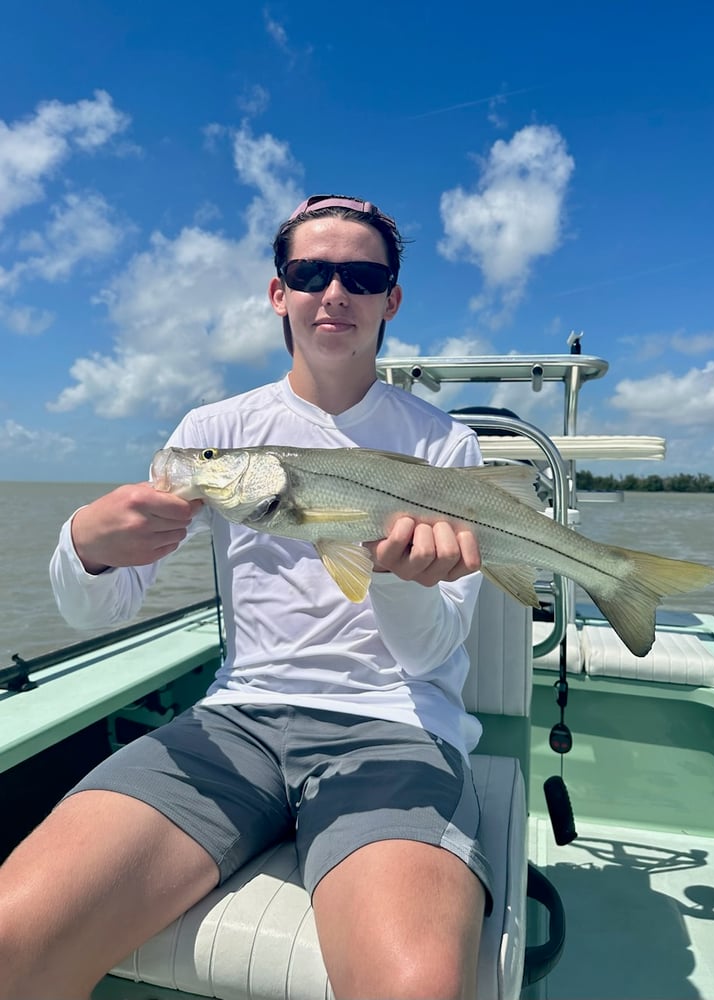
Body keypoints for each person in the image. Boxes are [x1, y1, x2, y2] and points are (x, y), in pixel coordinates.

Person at [0, 195, 492, 1000]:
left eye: (362, 276)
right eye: (311, 272)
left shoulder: (444, 445)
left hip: (395, 725)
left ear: (391, 300)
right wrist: (85, 545)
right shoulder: (219, 431)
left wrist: (400, 578)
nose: (335, 293)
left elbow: (434, 655)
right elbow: (96, 613)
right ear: (280, 292)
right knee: (11, 938)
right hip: (234, 723)